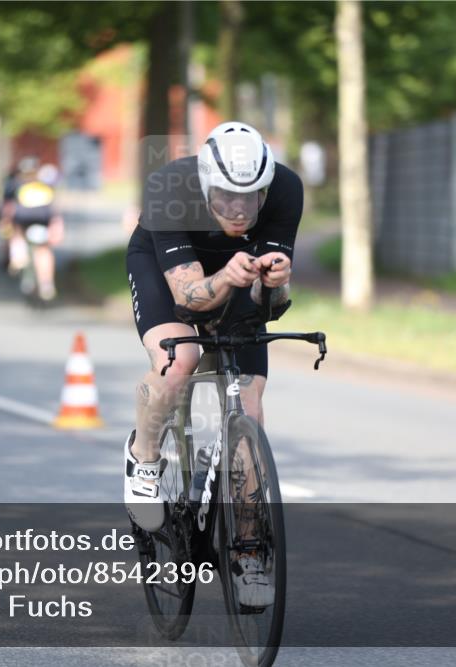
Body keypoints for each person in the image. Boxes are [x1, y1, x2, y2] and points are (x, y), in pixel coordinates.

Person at [123, 122, 302, 608]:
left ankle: (247, 551)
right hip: (168, 268)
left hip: (233, 273)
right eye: (227, 196)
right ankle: (143, 458)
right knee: (180, 359)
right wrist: (227, 275)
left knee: (249, 405)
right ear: (205, 184)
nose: (241, 208)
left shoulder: (286, 190)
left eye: (252, 196)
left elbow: (272, 306)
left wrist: (277, 282)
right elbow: (187, 299)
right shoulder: (169, 188)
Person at [0, 157, 64, 301]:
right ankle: (47, 284)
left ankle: (17, 258)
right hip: (43, 221)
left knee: (17, 234)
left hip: (23, 222)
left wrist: (5, 222)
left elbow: (9, 209)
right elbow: (54, 210)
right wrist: (57, 226)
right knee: (44, 250)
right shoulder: (46, 185)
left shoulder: (15, 185)